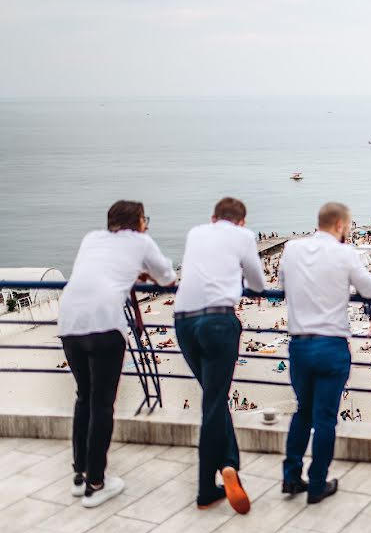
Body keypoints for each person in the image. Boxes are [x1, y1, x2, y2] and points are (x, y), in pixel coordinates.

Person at [57, 200, 175, 508]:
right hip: (105, 324)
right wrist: (145, 273)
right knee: (102, 403)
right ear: (138, 222)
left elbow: (100, 272)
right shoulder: (141, 240)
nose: (146, 224)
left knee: (83, 396)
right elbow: (168, 277)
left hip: (69, 321)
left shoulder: (91, 238)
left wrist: (133, 274)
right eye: (144, 219)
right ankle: (97, 483)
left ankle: (80, 474)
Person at [279, 202, 371, 504]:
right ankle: (317, 483)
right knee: (324, 419)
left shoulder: (292, 249)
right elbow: (370, 290)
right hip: (331, 344)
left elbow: (282, 283)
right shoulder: (345, 253)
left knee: (302, 411)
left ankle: (291, 477)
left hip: (299, 344)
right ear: (339, 225)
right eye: (348, 226)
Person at [174, 197, 266, 514]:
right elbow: (258, 282)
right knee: (213, 403)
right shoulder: (243, 236)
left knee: (214, 398)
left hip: (183, 321)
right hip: (217, 321)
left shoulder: (195, 233)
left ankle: (227, 464)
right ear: (242, 221)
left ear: (213, 218)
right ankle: (205, 488)